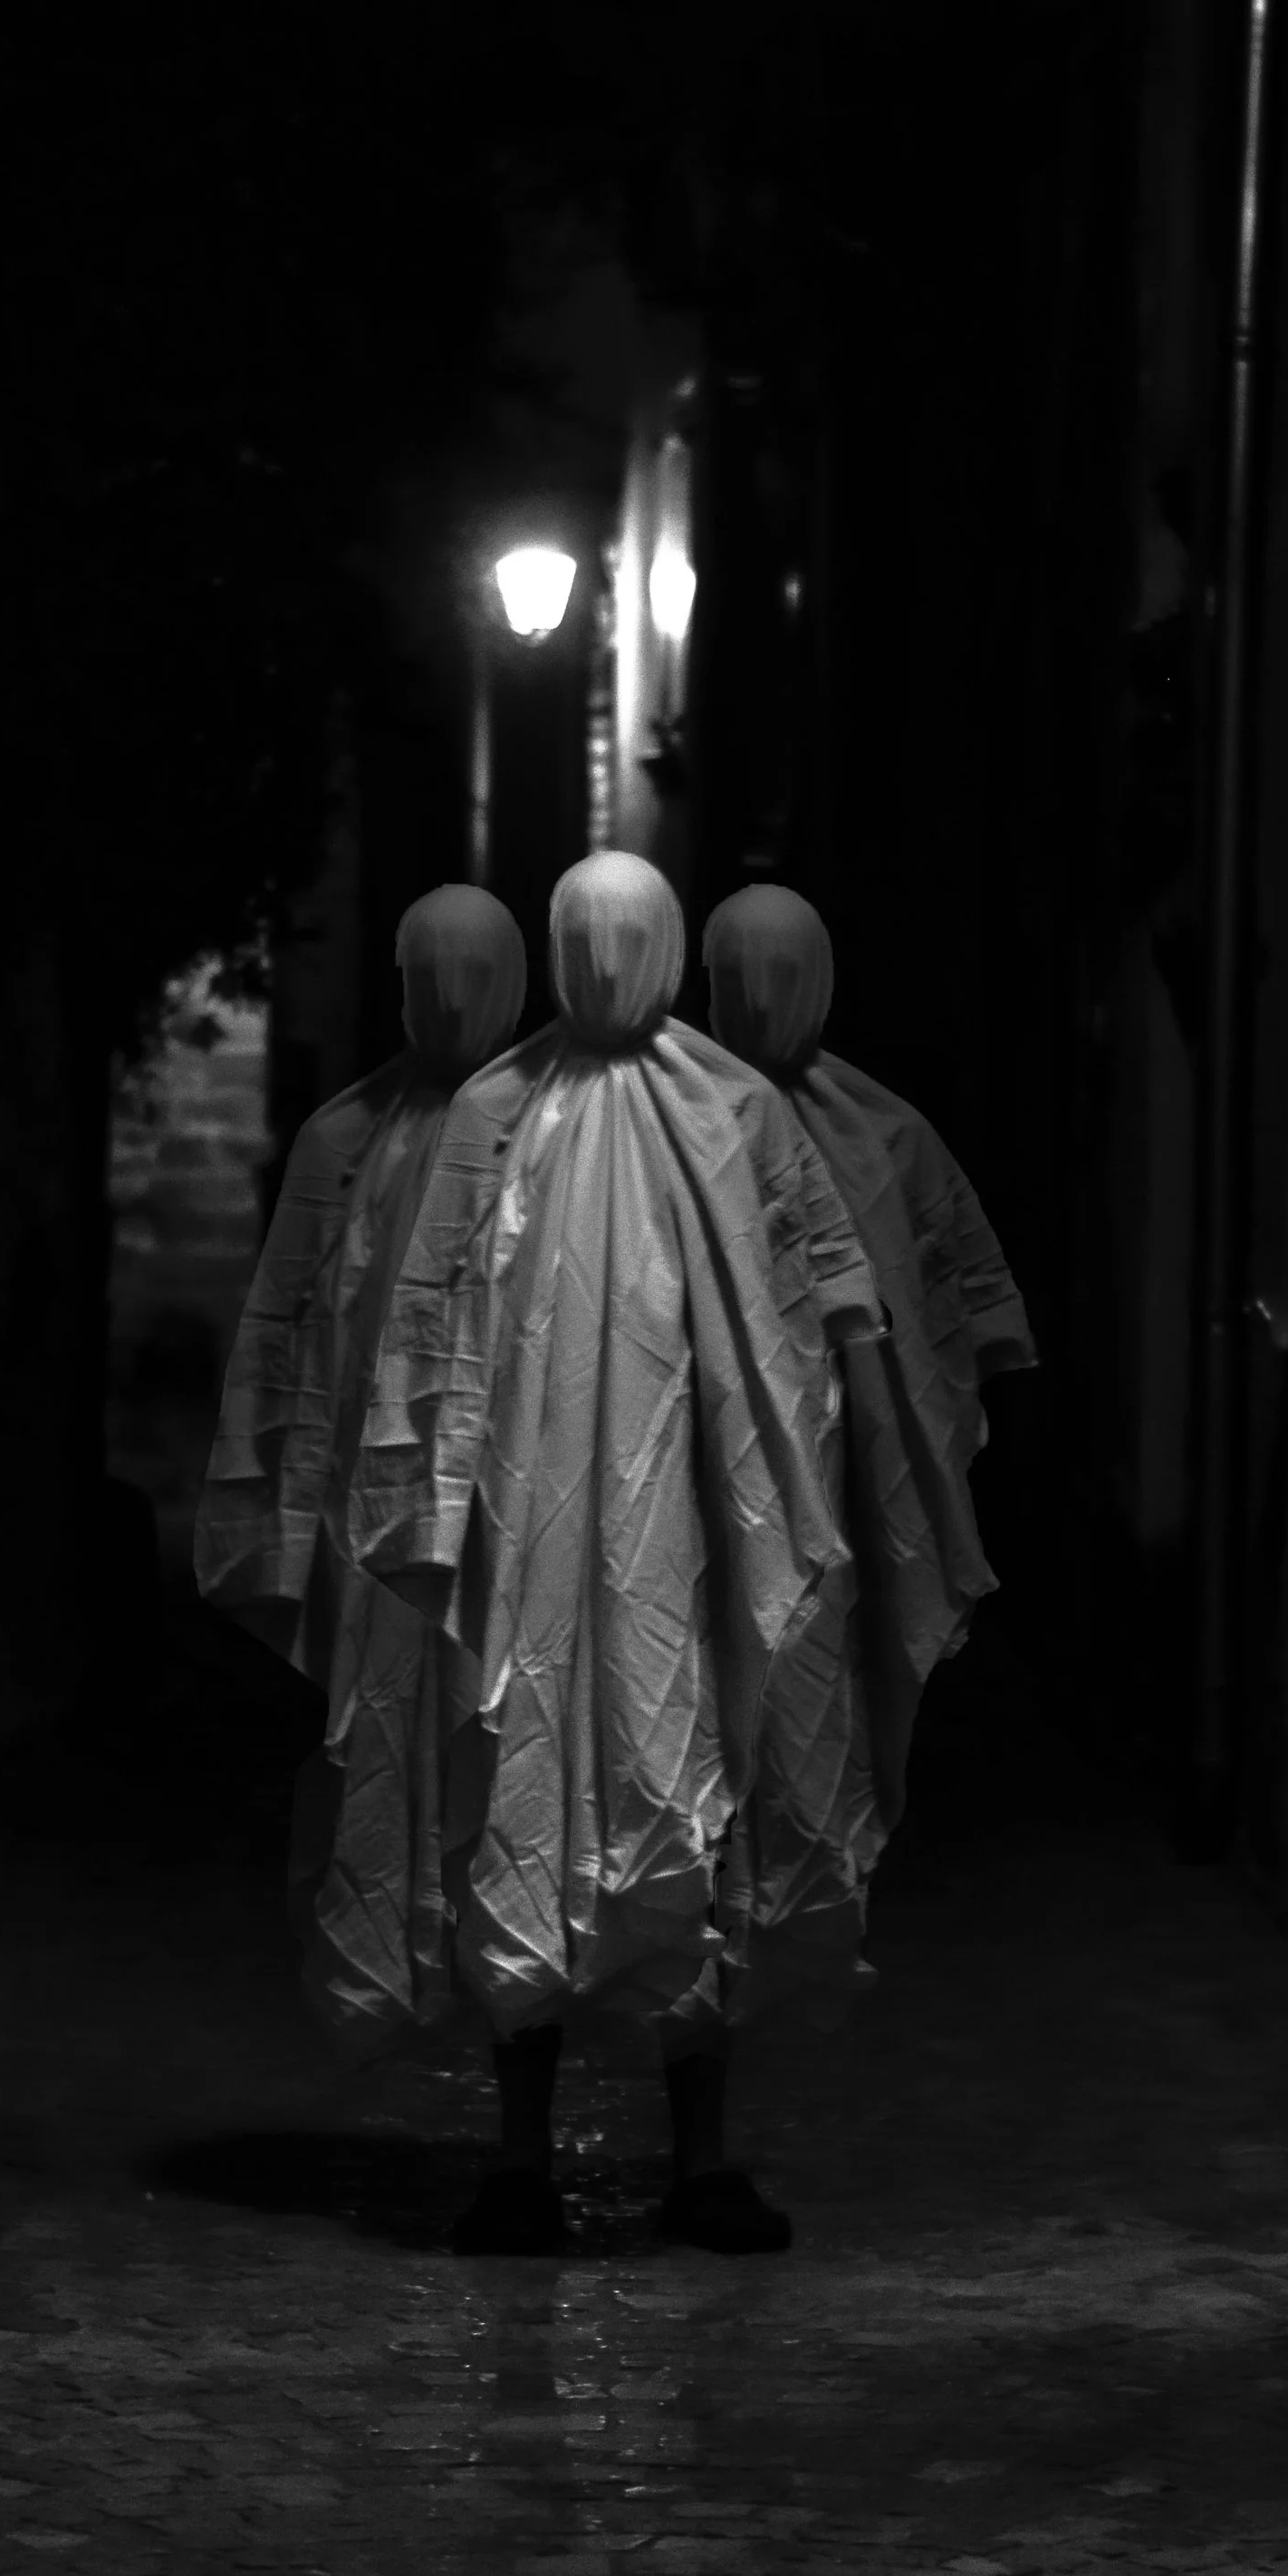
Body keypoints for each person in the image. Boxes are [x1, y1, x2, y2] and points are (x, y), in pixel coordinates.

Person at [350, 851, 882, 2255]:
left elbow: (822, 1300)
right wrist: (425, 1516)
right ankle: (519, 2155)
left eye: (617, 936)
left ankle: (699, 2160)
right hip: (523, 1541)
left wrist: (818, 1493)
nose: (598, 959)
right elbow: (428, 1321)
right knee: (519, 1804)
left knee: (701, 1818)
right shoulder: (491, 1111)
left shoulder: (738, 1107)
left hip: (698, 1537)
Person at [193, 883, 527, 2046]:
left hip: (509, 1512)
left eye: (465, 975)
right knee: (385, 1735)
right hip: (374, 1512)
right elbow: (288, 1332)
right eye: (420, 975)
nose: (443, 1001)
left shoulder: (548, 1132)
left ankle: (513, 1978)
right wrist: (286, 1524)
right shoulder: (347, 1135)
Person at [703, 880, 1034, 1853]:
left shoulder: (880, 1133)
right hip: (722, 1462)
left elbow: (936, 1308)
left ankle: (781, 1910)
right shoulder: (682, 1122)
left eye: (778, 977)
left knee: (805, 1677)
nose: (760, 998)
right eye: (741, 976)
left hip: (836, 1462)